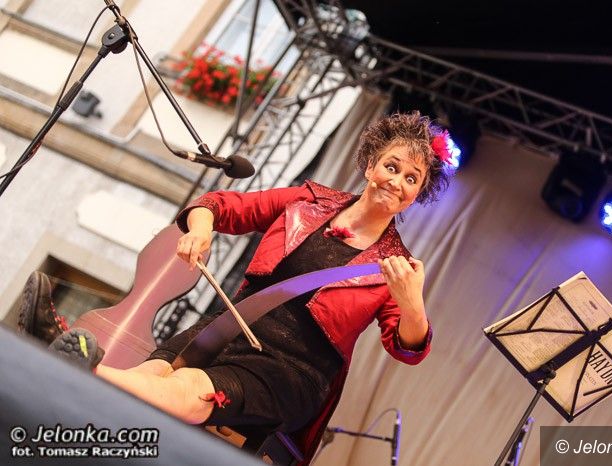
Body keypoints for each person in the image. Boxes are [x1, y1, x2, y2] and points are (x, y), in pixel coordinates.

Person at [38, 111, 454, 462]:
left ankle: (79, 368)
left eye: (412, 179)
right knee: (154, 372)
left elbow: (408, 348)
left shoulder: (396, 268)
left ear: (416, 196)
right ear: (370, 166)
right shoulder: (306, 200)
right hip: (230, 328)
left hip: (293, 370)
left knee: (193, 388)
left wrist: (412, 303)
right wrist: (201, 231)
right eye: (392, 167)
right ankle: (74, 382)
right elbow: (218, 205)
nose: (397, 181)